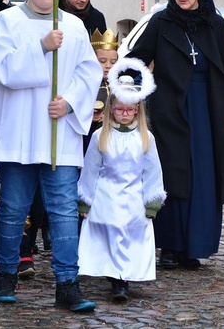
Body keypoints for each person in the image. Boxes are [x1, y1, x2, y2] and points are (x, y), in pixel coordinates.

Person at [0, 0, 102, 312]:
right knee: (12, 209)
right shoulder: (7, 21)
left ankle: (67, 281)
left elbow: (89, 73)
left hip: (58, 133)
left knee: (64, 211)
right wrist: (41, 47)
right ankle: (6, 273)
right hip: (20, 133)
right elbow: (4, 69)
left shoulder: (74, 26)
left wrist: (69, 102)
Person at [127, 0, 224, 268]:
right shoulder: (161, 21)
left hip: (208, 108)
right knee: (173, 176)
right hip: (170, 110)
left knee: (204, 178)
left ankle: (194, 247)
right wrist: (131, 89)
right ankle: (170, 246)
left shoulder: (214, 24)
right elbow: (137, 59)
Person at [77, 57, 166, 301]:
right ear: (111, 109)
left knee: (129, 234)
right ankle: (116, 278)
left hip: (134, 197)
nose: (125, 114)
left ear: (137, 109)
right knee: (111, 233)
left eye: (130, 110)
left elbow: (152, 171)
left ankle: (124, 277)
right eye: (120, 109)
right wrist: (85, 201)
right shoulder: (99, 137)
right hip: (107, 196)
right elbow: (91, 170)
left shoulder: (146, 138)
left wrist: (152, 202)